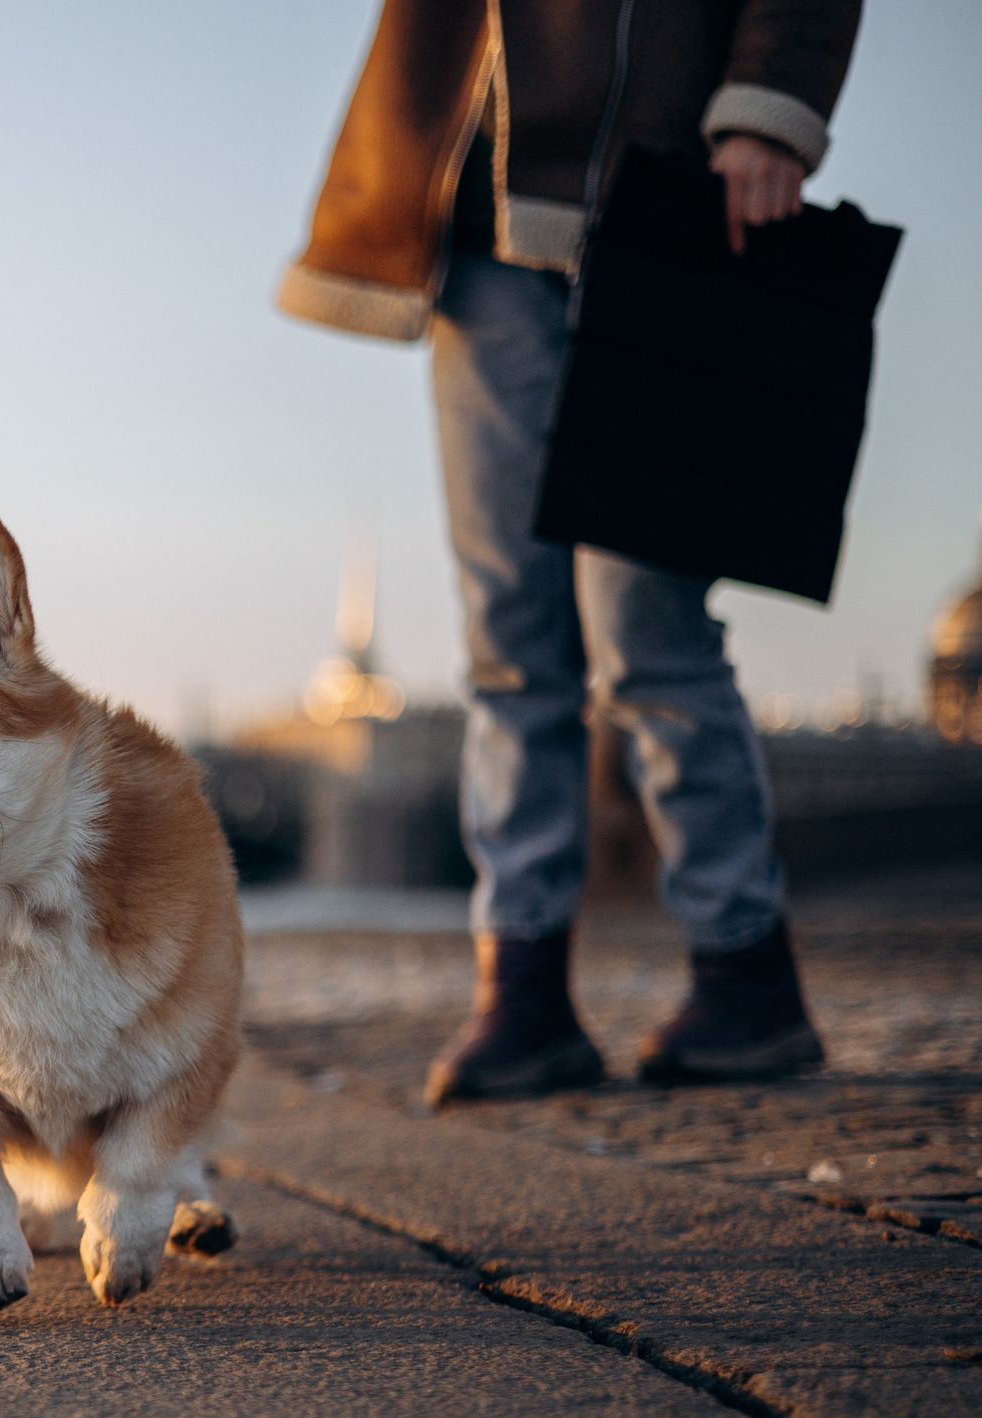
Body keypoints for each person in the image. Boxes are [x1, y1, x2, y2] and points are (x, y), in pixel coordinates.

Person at [278, 1, 859, 1105]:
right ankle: (523, 988)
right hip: (470, 202)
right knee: (508, 636)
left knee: (648, 629)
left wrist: (770, 108)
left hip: (662, 189)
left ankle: (744, 972)